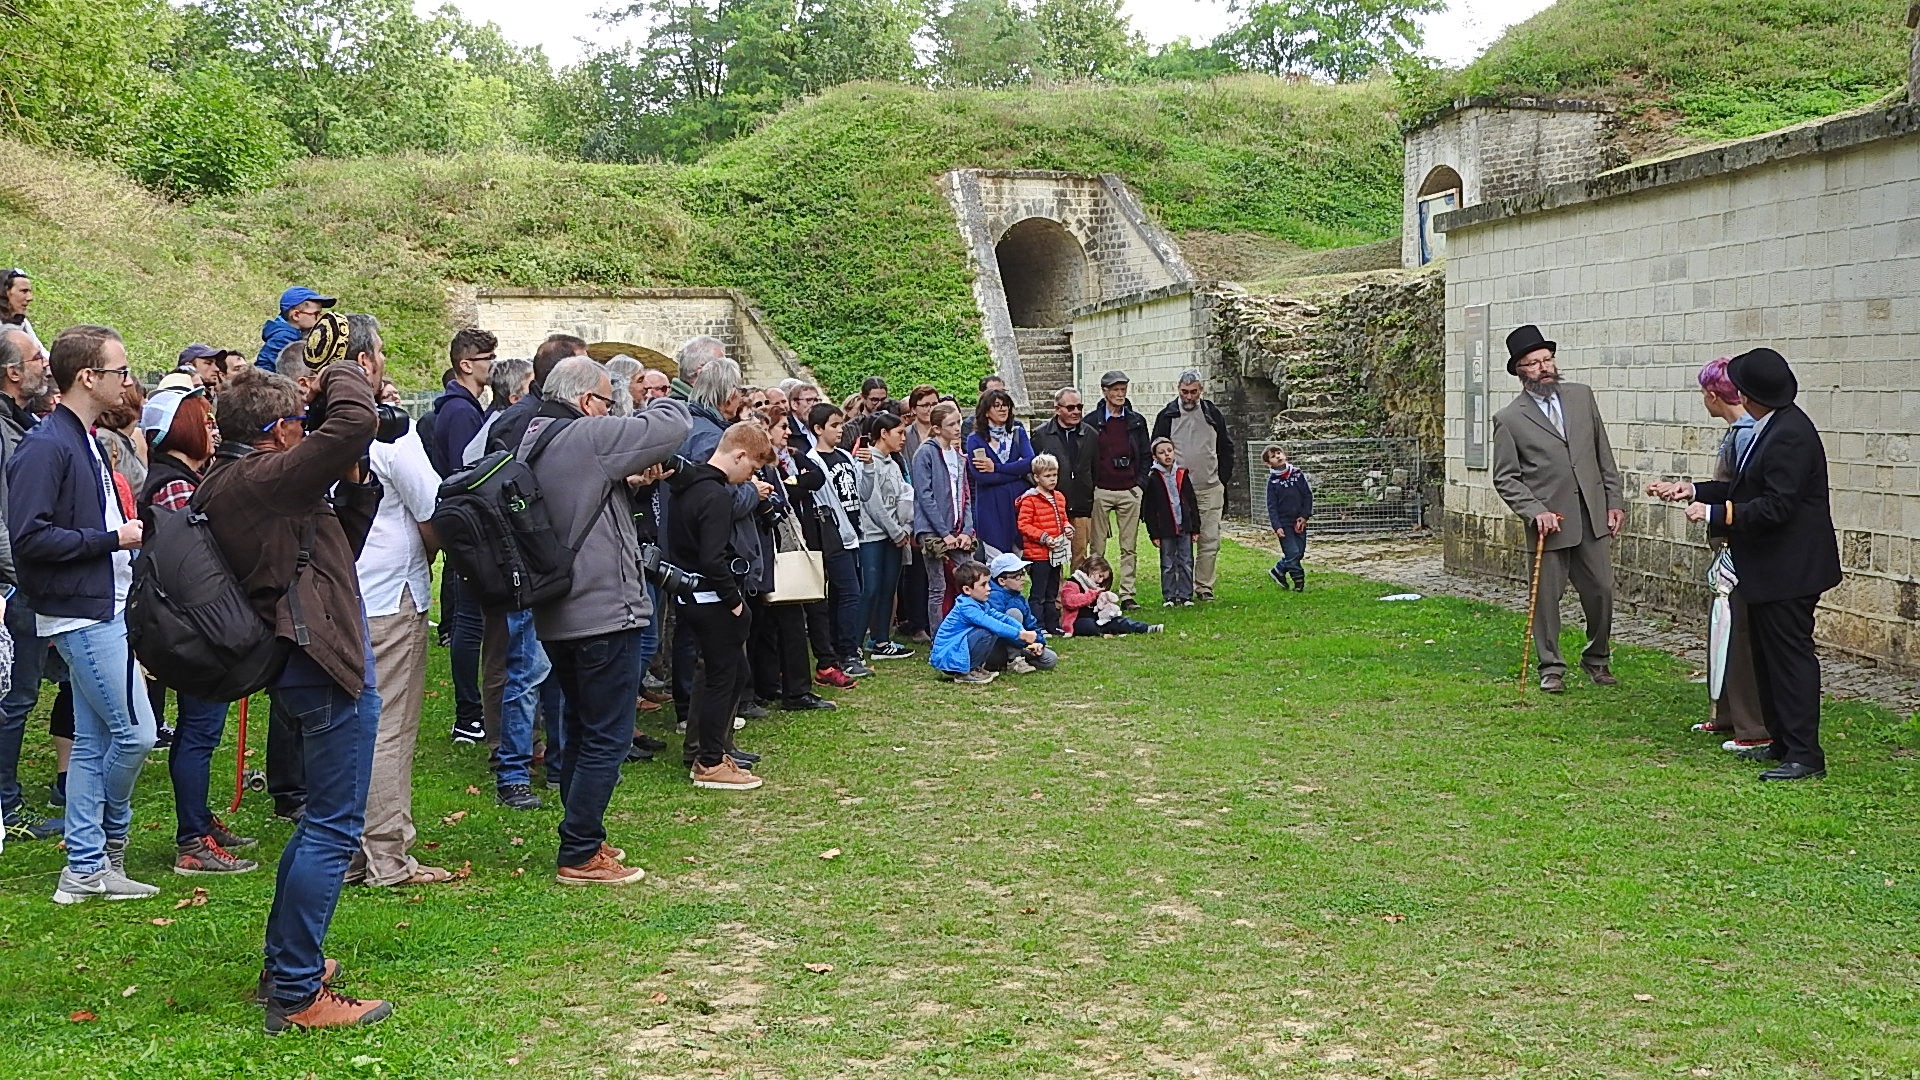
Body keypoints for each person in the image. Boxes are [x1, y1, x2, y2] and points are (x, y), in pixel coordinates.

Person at [524, 357, 690, 885]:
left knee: (579, 726)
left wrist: (630, 481)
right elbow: (672, 426)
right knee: (607, 736)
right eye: (607, 401)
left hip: (562, 611)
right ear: (586, 402)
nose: (611, 409)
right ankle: (578, 852)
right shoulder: (584, 435)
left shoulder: (534, 435)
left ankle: (584, 835)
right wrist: (661, 394)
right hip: (602, 612)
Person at [7, 326, 157, 904]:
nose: (126, 380)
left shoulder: (86, 439)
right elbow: (31, 538)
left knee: (95, 744)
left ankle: (86, 869)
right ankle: (106, 848)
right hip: (79, 613)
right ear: (88, 377)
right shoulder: (48, 445)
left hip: (103, 605)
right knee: (137, 734)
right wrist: (111, 538)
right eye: (118, 370)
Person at [1649, 348, 1840, 782]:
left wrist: (1714, 515)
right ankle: (1782, 742)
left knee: (1791, 660)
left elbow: (1775, 507)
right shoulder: (1767, 427)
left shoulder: (1791, 433)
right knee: (1767, 659)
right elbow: (1741, 486)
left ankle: (1806, 755)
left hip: (1791, 568)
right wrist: (1691, 490)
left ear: (1751, 394)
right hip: (1769, 567)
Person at [136, 384, 259, 875]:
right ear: (178, 430)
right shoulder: (175, 486)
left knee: (201, 730)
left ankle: (200, 821)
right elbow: (198, 557)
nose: (212, 429)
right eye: (202, 420)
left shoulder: (185, 477)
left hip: (193, 622)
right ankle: (192, 840)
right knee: (199, 731)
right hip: (195, 626)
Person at [348, 365, 458, 887]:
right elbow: (435, 505)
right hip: (387, 595)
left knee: (345, 728)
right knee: (387, 728)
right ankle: (385, 855)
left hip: (335, 594)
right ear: (366, 365)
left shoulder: (310, 426)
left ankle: (346, 847)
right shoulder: (386, 430)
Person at [1491, 324, 1625, 694]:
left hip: (1591, 513)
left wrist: (1614, 501)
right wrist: (1535, 511)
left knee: (1601, 589)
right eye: (1533, 363)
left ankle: (1596, 657)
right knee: (1546, 598)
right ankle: (1551, 665)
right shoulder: (1509, 419)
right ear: (1519, 370)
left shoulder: (1581, 397)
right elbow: (1506, 478)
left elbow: (1603, 455)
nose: (1544, 367)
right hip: (1549, 521)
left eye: (1547, 359)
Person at [666, 422, 775, 791]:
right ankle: (710, 761)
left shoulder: (687, 486)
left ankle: (711, 752)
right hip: (711, 598)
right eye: (753, 469)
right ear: (739, 455)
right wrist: (736, 603)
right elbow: (713, 558)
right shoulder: (713, 496)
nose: (750, 478)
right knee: (721, 677)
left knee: (725, 674)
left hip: (689, 594)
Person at [1683, 357, 1768, 753]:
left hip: (1743, 548)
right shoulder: (1738, 432)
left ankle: (1753, 727)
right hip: (1731, 543)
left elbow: (1743, 497)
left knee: (1739, 634)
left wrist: (1713, 512)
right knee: (1724, 630)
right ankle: (1727, 715)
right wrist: (1692, 490)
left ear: (1714, 396)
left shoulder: (1746, 435)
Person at [0, 326, 58, 841]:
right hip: (14, 588)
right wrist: (25, 574)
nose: (46, 364)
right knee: (14, 697)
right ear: (13, 373)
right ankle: (6, 807)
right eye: (37, 357)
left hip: (22, 582)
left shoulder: (18, 423)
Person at [747, 408, 837, 712]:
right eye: (779, 427)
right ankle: (768, 687)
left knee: (789, 620)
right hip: (759, 554)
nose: (787, 432)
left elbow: (794, 495)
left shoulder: (772, 467)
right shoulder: (753, 470)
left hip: (779, 550)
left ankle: (792, 689)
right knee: (765, 625)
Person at [1151, 372, 1235, 602]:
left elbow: (1226, 447)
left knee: (1209, 539)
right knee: (1177, 543)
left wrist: (1221, 478)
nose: (1189, 396)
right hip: (1177, 491)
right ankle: (1177, 588)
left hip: (1209, 486)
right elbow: (1156, 448)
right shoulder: (1167, 415)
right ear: (1177, 388)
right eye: (1184, 392)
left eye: (1193, 392)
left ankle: (1204, 586)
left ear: (1201, 390)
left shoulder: (1212, 413)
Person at [807, 403, 876, 678]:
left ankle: (840, 649)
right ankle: (847, 651)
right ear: (818, 429)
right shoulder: (813, 461)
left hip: (853, 534)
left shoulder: (845, 457)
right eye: (834, 426)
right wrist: (843, 529)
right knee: (849, 593)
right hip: (835, 537)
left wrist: (867, 467)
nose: (839, 431)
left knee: (843, 594)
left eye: (840, 425)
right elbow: (825, 501)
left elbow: (863, 493)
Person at [1088, 371, 1151, 608]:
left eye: (1123, 389)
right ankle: (1097, 592)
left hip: (1129, 489)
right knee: (1098, 547)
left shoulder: (1136, 421)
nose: (1120, 394)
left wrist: (1140, 485)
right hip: (1101, 489)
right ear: (1105, 392)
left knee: (1129, 546)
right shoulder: (1092, 421)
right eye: (1115, 389)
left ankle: (1127, 594)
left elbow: (1146, 455)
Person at [855, 412, 915, 661]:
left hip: (896, 535)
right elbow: (872, 502)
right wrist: (895, 531)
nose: (903, 438)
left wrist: (906, 529)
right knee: (870, 589)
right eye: (899, 433)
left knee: (888, 588)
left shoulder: (894, 463)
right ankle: (854, 643)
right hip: (873, 535)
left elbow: (904, 496)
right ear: (883, 433)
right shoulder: (867, 463)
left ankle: (880, 639)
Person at [928, 561, 1040, 685]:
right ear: (967, 589)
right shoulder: (967, 607)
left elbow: (1002, 618)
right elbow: (994, 624)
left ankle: (975, 668)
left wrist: (1022, 631)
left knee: (989, 630)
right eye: (983, 585)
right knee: (987, 631)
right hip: (949, 658)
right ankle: (965, 673)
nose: (989, 588)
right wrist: (1020, 635)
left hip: (956, 655)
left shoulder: (980, 604)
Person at [1030, 387, 1098, 572]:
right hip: (1051, 505)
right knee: (1055, 555)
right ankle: (1056, 597)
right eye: (1070, 407)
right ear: (1057, 408)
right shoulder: (1041, 435)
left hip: (1082, 502)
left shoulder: (1091, 434)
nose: (1076, 411)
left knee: (1080, 554)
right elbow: (1032, 469)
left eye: (1079, 406)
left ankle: (1078, 595)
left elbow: (1095, 467)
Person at [963, 388, 1034, 558]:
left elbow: (1030, 462)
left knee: (1020, 557)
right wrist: (1016, 471)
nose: (1003, 409)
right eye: (997, 406)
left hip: (1017, 502)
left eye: (1006, 405)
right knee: (995, 560)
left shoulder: (1018, 433)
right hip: (991, 505)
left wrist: (996, 467)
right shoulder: (975, 439)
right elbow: (982, 476)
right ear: (986, 411)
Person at [1014, 453, 1072, 634]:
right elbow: (1023, 525)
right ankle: (1036, 625)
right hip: (1038, 554)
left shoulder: (1060, 497)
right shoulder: (1029, 499)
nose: (1052, 479)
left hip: (1057, 553)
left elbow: (1063, 519)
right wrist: (1044, 537)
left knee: (1052, 591)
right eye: (1048, 476)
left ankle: (1052, 625)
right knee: (1038, 593)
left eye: (1055, 475)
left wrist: (1068, 528)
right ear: (1036, 477)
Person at [1142, 437, 1199, 607]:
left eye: (1169, 451)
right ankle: (1170, 595)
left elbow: (1191, 501)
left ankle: (1186, 595)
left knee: (1186, 561)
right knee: (1168, 563)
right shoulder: (1152, 478)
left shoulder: (1182, 474)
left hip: (1185, 525)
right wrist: (1154, 533)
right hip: (1165, 527)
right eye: (1161, 452)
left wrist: (1195, 527)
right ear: (1155, 457)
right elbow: (1149, 510)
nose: (1166, 455)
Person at [983, 552, 1058, 673]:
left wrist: (1038, 643)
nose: (1023, 578)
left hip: (1019, 642)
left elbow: (1031, 624)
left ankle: (1019, 657)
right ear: (1002, 581)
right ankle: (1014, 660)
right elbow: (999, 629)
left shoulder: (1020, 598)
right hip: (997, 647)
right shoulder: (992, 597)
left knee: (1050, 659)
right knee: (1014, 614)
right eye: (1017, 576)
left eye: (1023, 573)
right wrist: (1024, 639)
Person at [1061, 556, 1161, 637]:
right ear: (1091, 568)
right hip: (1078, 621)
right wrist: (1092, 594)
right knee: (1089, 625)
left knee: (1117, 621)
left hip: (1098, 618)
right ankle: (1105, 632)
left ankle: (1145, 628)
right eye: (1100, 576)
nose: (1100, 581)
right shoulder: (1073, 583)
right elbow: (1070, 601)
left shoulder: (1097, 587)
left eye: (1103, 580)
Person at [1264, 445, 1313, 591]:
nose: (1278, 456)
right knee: (1292, 553)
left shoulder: (1297, 474)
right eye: (1273, 456)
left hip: (1299, 520)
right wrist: (1277, 526)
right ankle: (1299, 582)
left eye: (1279, 453)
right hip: (1284, 522)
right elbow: (1271, 506)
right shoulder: (1273, 482)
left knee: (1299, 552)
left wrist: (1304, 516)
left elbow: (1307, 495)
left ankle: (1278, 569)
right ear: (1268, 463)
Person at [256, 286, 335, 371]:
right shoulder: (285, 337)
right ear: (296, 315)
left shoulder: (291, 332)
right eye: (316, 314)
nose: (320, 318)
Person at [0, 268, 46, 360]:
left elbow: (41, 352)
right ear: (5, 292)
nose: (30, 298)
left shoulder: (22, 322)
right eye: (24, 291)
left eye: (29, 292)